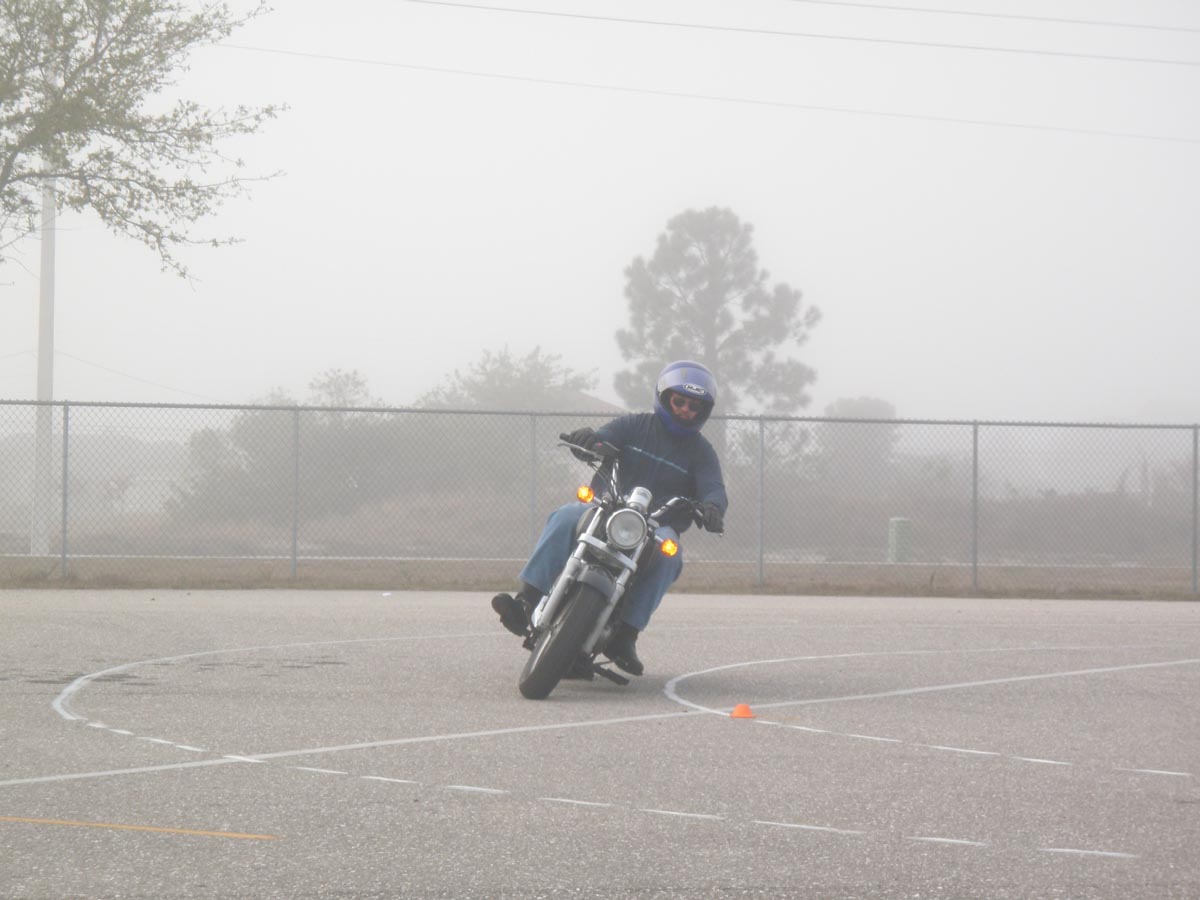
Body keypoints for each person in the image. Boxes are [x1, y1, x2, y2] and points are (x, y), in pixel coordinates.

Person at [491, 360, 727, 676]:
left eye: (693, 406)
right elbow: (604, 438)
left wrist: (713, 506)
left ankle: (626, 635)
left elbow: (713, 486)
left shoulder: (702, 452)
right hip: (607, 506)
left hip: (656, 526)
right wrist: (588, 441)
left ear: (703, 411)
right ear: (664, 397)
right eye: (679, 401)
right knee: (566, 515)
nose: (685, 410)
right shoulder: (635, 426)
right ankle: (526, 600)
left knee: (671, 555)